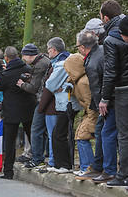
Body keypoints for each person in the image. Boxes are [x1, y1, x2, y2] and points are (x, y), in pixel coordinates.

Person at [75, 30, 117, 182]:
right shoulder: (102, 50)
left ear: (83, 47)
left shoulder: (92, 62)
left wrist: (101, 104)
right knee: (100, 131)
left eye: (78, 46)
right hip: (113, 98)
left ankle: (109, 170)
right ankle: (98, 166)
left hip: (108, 101)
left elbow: (96, 86)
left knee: (106, 133)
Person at [0, 46, 36, 180]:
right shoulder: (27, 68)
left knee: (10, 141)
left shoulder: (7, 74)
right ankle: (37, 158)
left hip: (11, 110)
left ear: (6, 58)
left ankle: (8, 171)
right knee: (31, 134)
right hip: (28, 108)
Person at [101, 13, 128, 187]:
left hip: (123, 91)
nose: (122, 37)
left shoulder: (111, 41)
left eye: (124, 34)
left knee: (125, 135)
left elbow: (110, 72)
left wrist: (105, 97)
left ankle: (124, 174)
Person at [45, 37, 82, 174]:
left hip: (66, 103)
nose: (48, 52)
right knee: (60, 133)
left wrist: (57, 86)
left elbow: (50, 84)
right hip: (68, 102)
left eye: (48, 49)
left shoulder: (61, 63)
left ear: (53, 50)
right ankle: (61, 164)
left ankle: (65, 165)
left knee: (59, 134)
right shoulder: (71, 59)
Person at [63, 53, 98, 175]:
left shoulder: (83, 82)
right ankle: (85, 166)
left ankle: (87, 167)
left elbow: (90, 103)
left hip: (92, 115)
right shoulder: (79, 81)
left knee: (81, 137)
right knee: (80, 137)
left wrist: (92, 122)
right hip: (89, 114)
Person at [16, 43, 50, 167]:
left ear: (30, 55)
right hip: (49, 100)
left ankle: (37, 159)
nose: (23, 59)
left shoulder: (39, 65)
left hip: (42, 100)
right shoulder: (45, 60)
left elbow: (34, 88)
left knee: (35, 129)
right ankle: (43, 156)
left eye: (24, 56)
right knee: (45, 131)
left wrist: (22, 84)